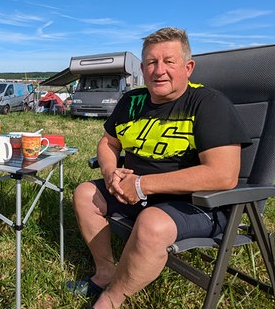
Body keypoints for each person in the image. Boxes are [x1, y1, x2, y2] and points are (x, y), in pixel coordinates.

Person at [70, 27, 251, 308]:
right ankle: (106, 273)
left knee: (152, 224)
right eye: (152, 62)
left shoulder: (208, 104)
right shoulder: (132, 102)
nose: (159, 70)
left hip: (198, 204)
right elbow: (108, 143)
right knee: (85, 193)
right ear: (142, 69)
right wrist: (109, 172)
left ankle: (110, 300)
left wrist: (142, 185)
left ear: (188, 67)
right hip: (137, 194)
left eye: (169, 61)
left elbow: (224, 175)